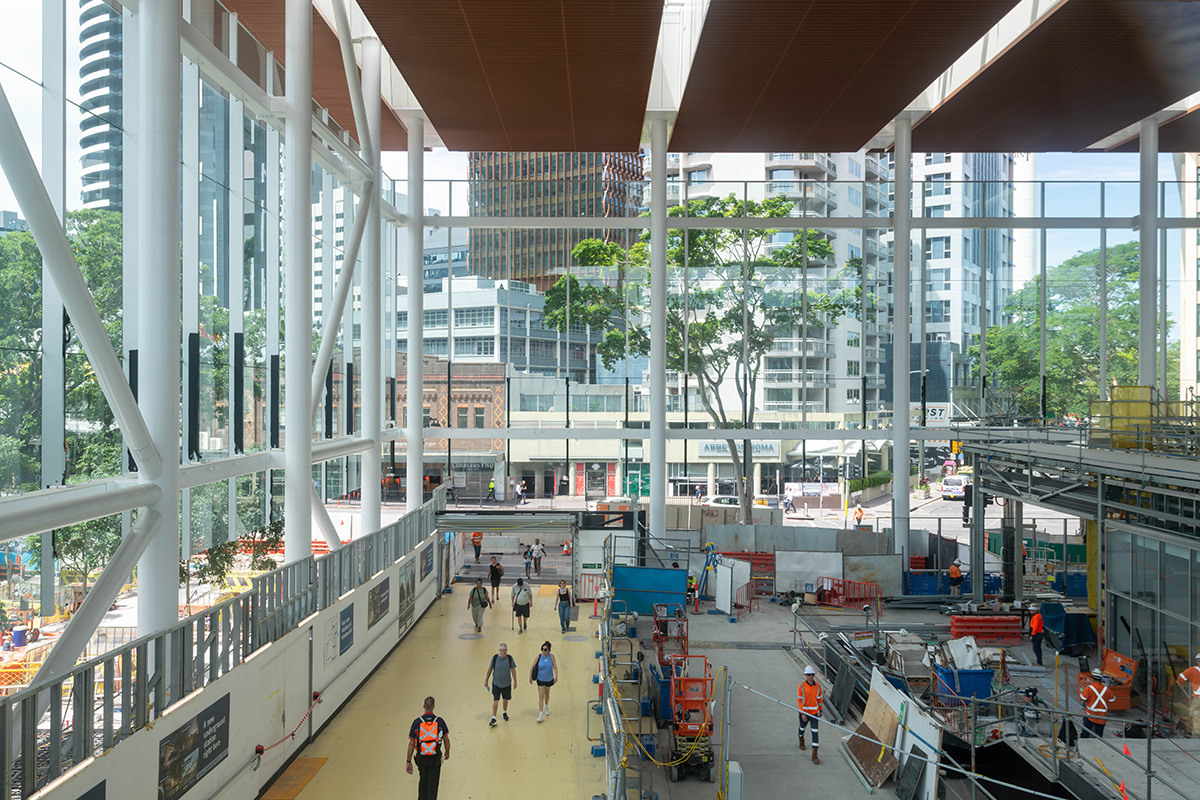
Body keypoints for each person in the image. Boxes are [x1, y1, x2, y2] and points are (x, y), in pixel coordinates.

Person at [406, 696, 450, 800]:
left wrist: (408, 761)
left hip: (422, 758)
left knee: (423, 784)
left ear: (423, 706)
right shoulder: (440, 722)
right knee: (433, 787)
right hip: (435, 758)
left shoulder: (417, 723)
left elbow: (411, 744)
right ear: (434, 706)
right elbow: (446, 740)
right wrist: (447, 752)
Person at [484, 644, 517, 726]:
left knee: (505, 699)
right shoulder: (495, 658)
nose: (505, 652)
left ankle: (504, 712)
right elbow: (490, 669)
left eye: (506, 650)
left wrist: (515, 681)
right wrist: (486, 680)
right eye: (503, 650)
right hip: (496, 684)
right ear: (499, 650)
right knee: (496, 699)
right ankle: (494, 717)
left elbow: (513, 669)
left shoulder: (509, 658)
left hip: (507, 684)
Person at [797, 665, 823, 764]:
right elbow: (800, 701)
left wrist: (821, 710)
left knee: (815, 733)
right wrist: (802, 713)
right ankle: (801, 739)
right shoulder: (801, 686)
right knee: (802, 728)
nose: (811, 677)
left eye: (812, 675)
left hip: (814, 714)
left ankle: (814, 755)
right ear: (806, 675)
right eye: (809, 675)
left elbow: (819, 699)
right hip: (805, 713)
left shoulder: (818, 687)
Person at [1079, 669, 1115, 738]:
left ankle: (1084, 743)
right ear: (1101, 678)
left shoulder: (1088, 688)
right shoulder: (1107, 689)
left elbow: (1082, 698)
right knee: (1099, 735)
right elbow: (1112, 700)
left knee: (1085, 733)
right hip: (1102, 717)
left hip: (1090, 715)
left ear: (1092, 677)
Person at [530, 641, 558, 722]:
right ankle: (541, 714)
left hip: (549, 679)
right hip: (540, 679)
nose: (543, 651)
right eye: (542, 649)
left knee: (547, 695)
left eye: (545, 649)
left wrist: (556, 676)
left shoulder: (551, 657)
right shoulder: (538, 657)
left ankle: (546, 706)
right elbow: (532, 667)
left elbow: (555, 667)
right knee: (541, 696)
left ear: (549, 650)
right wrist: (530, 677)